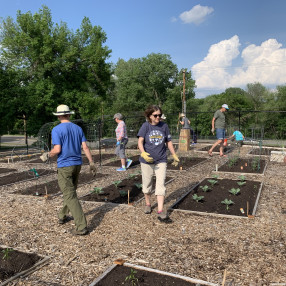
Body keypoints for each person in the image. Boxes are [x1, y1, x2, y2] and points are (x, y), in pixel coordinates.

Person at [40, 104, 96, 236]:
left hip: (65, 166)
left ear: (59, 116)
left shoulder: (56, 130)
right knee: (70, 192)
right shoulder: (78, 128)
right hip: (77, 164)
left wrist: (47, 154)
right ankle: (63, 215)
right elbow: (85, 147)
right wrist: (91, 162)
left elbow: (57, 149)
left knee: (70, 195)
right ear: (69, 114)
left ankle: (81, 226)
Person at [137, 105, 179, 221]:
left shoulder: (164, 126)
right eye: (155, 115)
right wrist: (143, 153)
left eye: (160, 115)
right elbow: (140, 142)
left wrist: (174, 155)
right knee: (147, 184)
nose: (158, 117)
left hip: (161, 160)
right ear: (149, 116)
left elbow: (168, 142)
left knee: (161, 184)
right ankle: (148, 203)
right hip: (147, 161)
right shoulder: (145, 126)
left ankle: (160, 210)